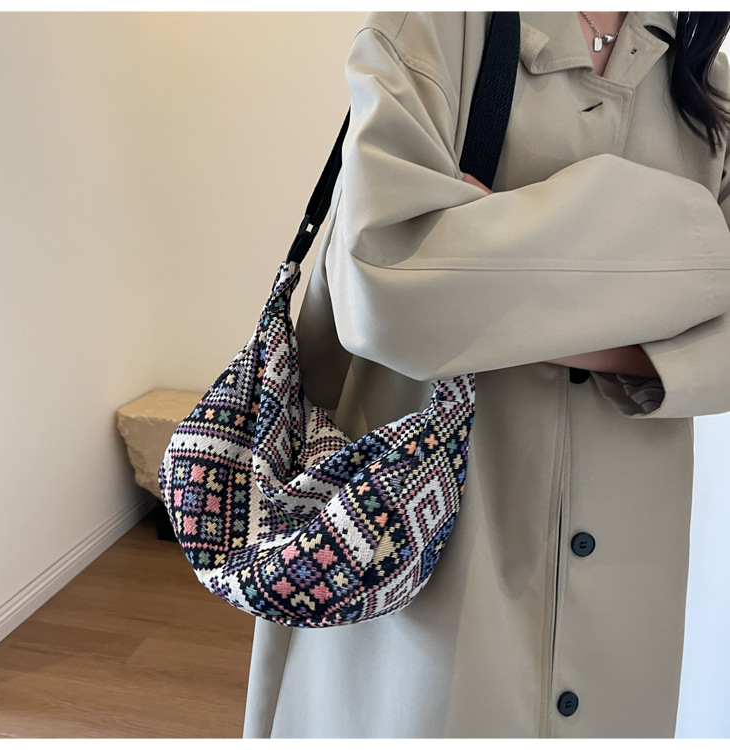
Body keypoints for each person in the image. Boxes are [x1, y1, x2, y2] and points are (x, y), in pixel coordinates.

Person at [242, 11, 730, 738]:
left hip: (630, 576)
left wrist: (494, 249)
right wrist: (675, 278)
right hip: (411, 546)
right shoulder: (436, 28)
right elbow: (385, 285)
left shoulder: (706, 83)